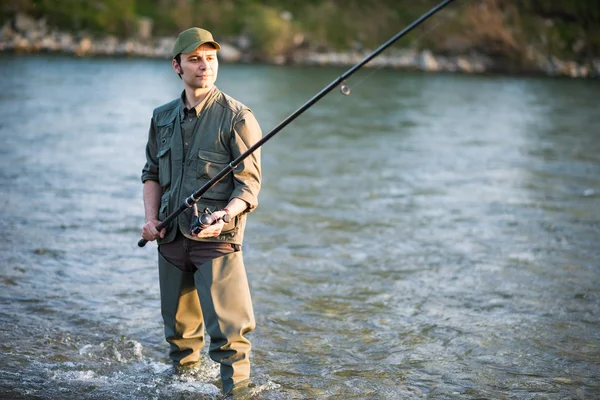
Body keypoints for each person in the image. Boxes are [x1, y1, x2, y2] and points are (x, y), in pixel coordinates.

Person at [140, 27, 262, 395]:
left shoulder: (238, 117)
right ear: (177, 66)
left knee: (230, 340)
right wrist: (150, 219)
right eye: (195, 59)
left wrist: (225, 215)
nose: (205, 66)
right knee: (179, 339)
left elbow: (249, 187)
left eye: (210, 58)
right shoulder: (161, 118)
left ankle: (235, 394)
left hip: (217, 243)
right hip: (171, 242)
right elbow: (151, 174)